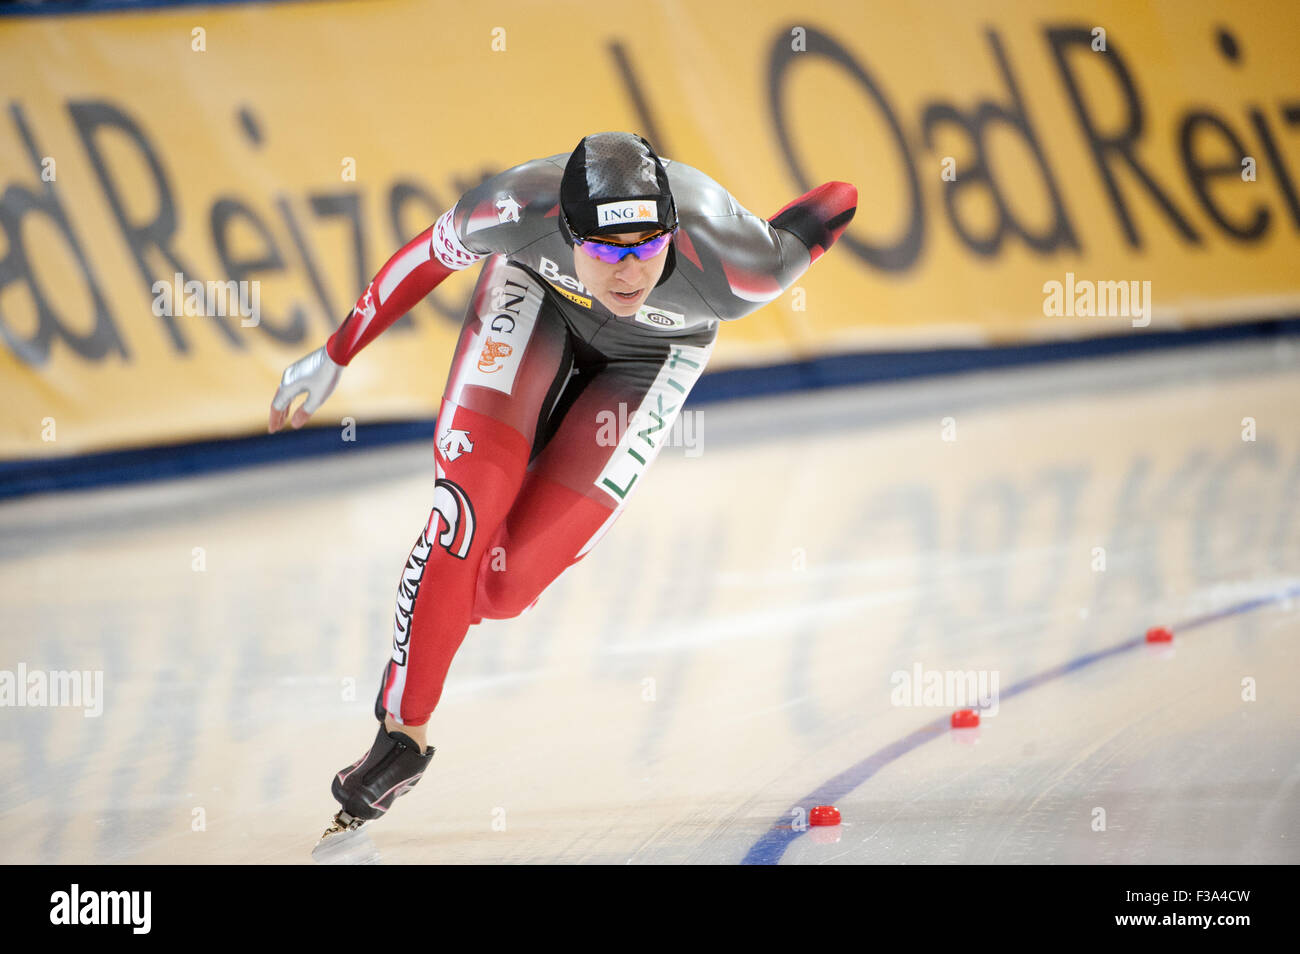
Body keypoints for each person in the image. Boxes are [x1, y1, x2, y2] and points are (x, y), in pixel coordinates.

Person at [268, 132, 856, 832]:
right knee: (464, 514)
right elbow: (424, 259)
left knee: (501, 585)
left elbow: (835, 204)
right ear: (565, 229)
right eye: (607, 250)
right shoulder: (515, 204)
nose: (630, 271)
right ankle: (404, 735)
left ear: (675, 231)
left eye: (647, 245)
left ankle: (447, 595)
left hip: (654, 356)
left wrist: (784, 218)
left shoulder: (740, 267)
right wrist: (335, 354)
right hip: (535, 301)